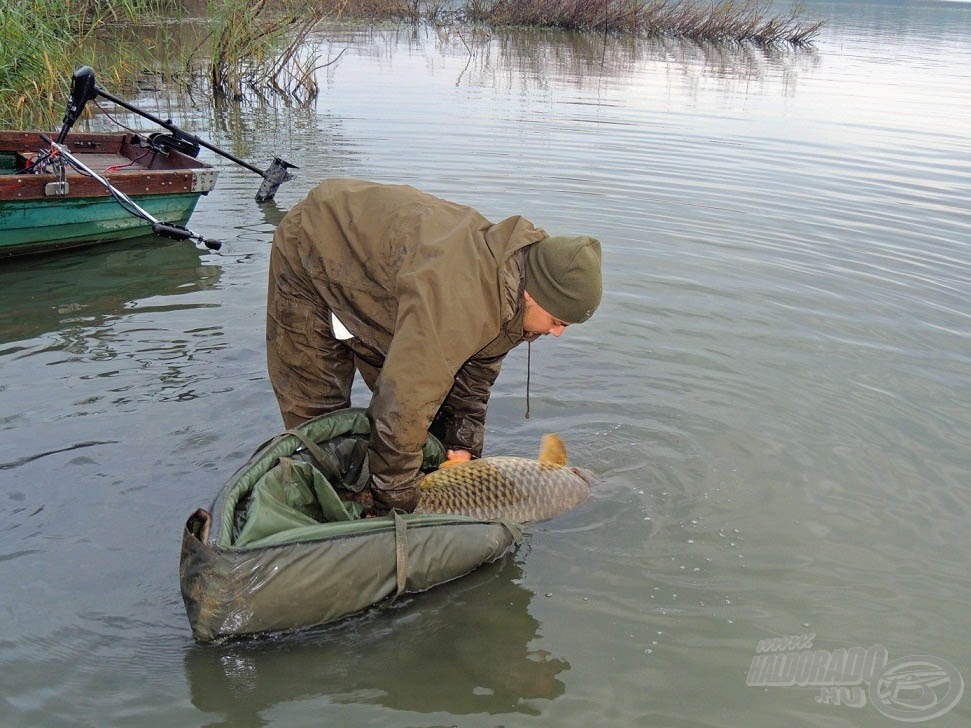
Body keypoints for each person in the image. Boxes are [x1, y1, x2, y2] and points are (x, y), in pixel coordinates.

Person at [266, 178, 602, 513]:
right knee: (321, 425)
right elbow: (403, 405)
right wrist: (395, 508)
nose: (558, 334)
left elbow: (474, 374)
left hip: (384, 277)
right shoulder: (462, 302)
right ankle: (324, 514)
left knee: (424, 421)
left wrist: (460, 444)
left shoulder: (511, 291)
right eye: (558, 322)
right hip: (312, 249)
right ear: (534, 295)